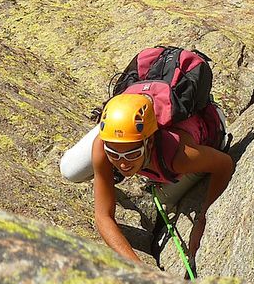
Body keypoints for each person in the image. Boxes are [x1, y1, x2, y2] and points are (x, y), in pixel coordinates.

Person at [60, 93, 234, 264]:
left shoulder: (179, 156)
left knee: (164, 199)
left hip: (207, 129)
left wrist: (202, 217)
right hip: (131, 123)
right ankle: (124, 136)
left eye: (132, 154)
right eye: (114, 154)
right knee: (69, 169)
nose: (122, 164)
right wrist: (139, 267)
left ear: (149, 143)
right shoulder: (102, 146)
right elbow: (103, 216)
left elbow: (224, 164)